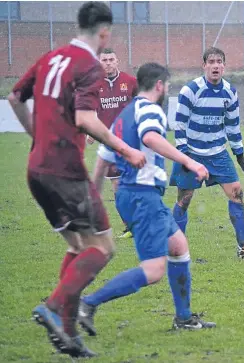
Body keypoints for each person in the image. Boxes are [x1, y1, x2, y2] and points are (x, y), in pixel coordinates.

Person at [7, 1, 146, 358]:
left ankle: (68, 334)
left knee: (78, 247)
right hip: (66, 170)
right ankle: (52, 307)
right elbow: (86, 119)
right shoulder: (88, 66)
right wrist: (126, 150)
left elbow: (14, 97)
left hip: (36, 169)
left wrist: (36, 137)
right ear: (104, 32)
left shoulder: (51, 57)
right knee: (103, 248)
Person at [78, 62, 216, 336]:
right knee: (153, 270)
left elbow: (103, 161)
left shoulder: (123, 115)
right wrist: (191, 162)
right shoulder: (151, 110)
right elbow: (151, 138)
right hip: (143, 196)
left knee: (178, 246)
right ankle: (86, 304)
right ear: (160, 85)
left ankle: (184, 318)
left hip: (131, 196)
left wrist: (92, 198)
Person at [170, 47, 244, 258]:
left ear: (224, 66)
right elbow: (179, 124)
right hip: (192, 152)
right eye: (211, 62)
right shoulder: (191, 90)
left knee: (236, 193)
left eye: (219, 62)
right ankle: (175, 247)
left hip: (218, 152)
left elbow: (232, 125)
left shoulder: (230, 92)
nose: (215, 66)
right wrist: (183, 154)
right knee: (184, 199)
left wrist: (239, 154)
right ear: (204, 65)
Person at [88, 48, 138, 238]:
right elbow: (90, 111)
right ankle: (130, 226)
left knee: (137, 185)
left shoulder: (130, 82)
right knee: (118, 189)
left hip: (131, 142)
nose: (108, 63)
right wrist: (91, 132)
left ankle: (143, 222)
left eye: (111, 59)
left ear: (117, 61)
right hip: (109, 146)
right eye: (104, 60)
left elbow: (142, 105)